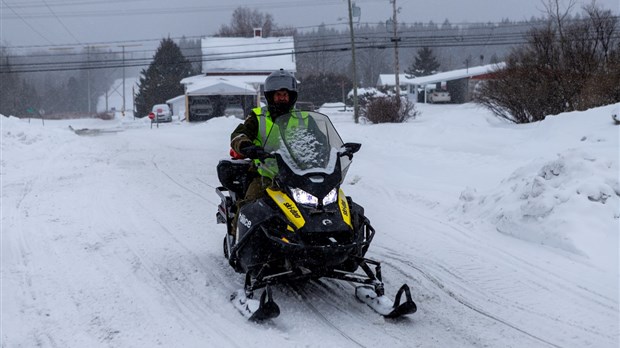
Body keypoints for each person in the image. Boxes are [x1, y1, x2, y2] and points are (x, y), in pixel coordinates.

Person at [228, 68, 299, 236]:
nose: (282, 98)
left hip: (298, 174)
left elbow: (319, 139)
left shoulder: (303, 118)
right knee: (250, 205)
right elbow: (238, 135)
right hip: (266, 173)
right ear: (271, 96)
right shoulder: (258, 116)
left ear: (291, 96)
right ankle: (238, 238)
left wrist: (335, 152)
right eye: (279, 95)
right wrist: (247, 146)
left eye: (285, 95)